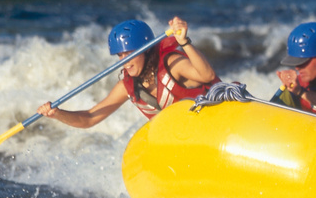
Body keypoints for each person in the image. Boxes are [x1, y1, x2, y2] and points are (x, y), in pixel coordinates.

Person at [37, 17, 217, 127]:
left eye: (130, 53)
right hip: (183, 136)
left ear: (145, 50)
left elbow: (206, 75)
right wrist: (58, 113)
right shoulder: (126, 85)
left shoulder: (172, 64)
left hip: (212, 120)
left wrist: (184, 42)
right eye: (120, 55)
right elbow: (90, 118)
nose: (125, 61)